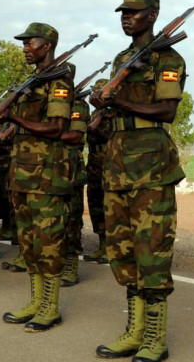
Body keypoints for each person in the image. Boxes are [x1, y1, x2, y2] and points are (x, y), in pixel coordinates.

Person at [91, 0, 186, 362]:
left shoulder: (168, 58)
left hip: (151, 168)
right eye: (123, 12)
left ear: (152, 15)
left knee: (152, 252)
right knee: (123, 252)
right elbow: (113, 107)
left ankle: (155, 338)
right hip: (117, 165)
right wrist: (100, 107)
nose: (125, 17)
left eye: (133, 11)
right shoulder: (122, 58)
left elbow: (166, 111)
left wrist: (116, 100)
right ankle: (134, 331)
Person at [0, 23, 74, 332]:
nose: (25, 48)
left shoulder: (59, 81)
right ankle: (36, 300)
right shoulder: (31, 82)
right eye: (23, 43)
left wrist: (12, 117)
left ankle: (50, 307)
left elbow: (56, 128)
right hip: (23, 173)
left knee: (48, 242)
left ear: (47, 45)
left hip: (47, 175)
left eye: (30, 43)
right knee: (28, 242)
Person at [61, 82, 90, 287]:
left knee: (71, 218)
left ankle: (71, 264)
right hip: (46, 165)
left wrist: (49, 133)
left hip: (70, 167)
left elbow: (75, 136)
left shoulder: (77, 104)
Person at [82, 78, 111, 265]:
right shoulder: (95, 113)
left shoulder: (114, 113)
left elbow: (110, 136)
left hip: (108, 164)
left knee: (109, 206)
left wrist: (94, 129)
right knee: (95, 205)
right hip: (94, 165)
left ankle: (112, 247)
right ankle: (102, 244)